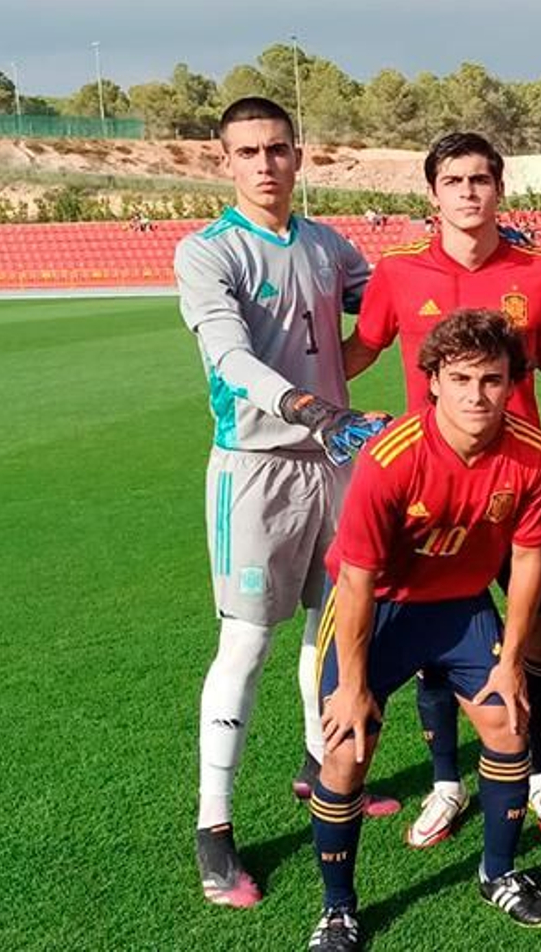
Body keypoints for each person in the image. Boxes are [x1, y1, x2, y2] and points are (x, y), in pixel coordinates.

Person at [177, 96, 391, 909]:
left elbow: (388, 301)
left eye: (276, 149)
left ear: (299, 156)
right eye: (248, 151)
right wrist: (310, 407)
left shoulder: (328, 244)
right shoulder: (208, 252)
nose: (264, 164)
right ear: (224, 161)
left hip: (332, 465)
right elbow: (228, 358)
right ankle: (214, 824)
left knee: (328, 629)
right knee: (245, 642)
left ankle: (316, 763)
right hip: (256, 469)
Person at [340, 132, 541, 848]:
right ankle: (446, 781)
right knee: (436, 639)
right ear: (433, 193)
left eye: (480, 179)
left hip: (516, 486)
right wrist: (292, 399)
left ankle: (539, 772)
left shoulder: (540, 270)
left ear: (499, 188)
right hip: (431, 493)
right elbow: (361, 350)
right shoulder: (398, 271)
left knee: (538, 639)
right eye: (454, 180)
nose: (468, 192)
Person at [307, 310, 541, 951]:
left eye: (492, 380)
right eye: (462, 379)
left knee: (509, 721)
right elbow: (357, 578)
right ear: (434, 382)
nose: (477, 395)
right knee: (345, 750)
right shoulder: (390, 457)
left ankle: (497, 873)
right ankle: (338, 909)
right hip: (380, 607)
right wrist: (353, 685)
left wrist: (512, 660)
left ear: (512, 383)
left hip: (461, 606)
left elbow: (529, 558)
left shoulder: (532, 452)